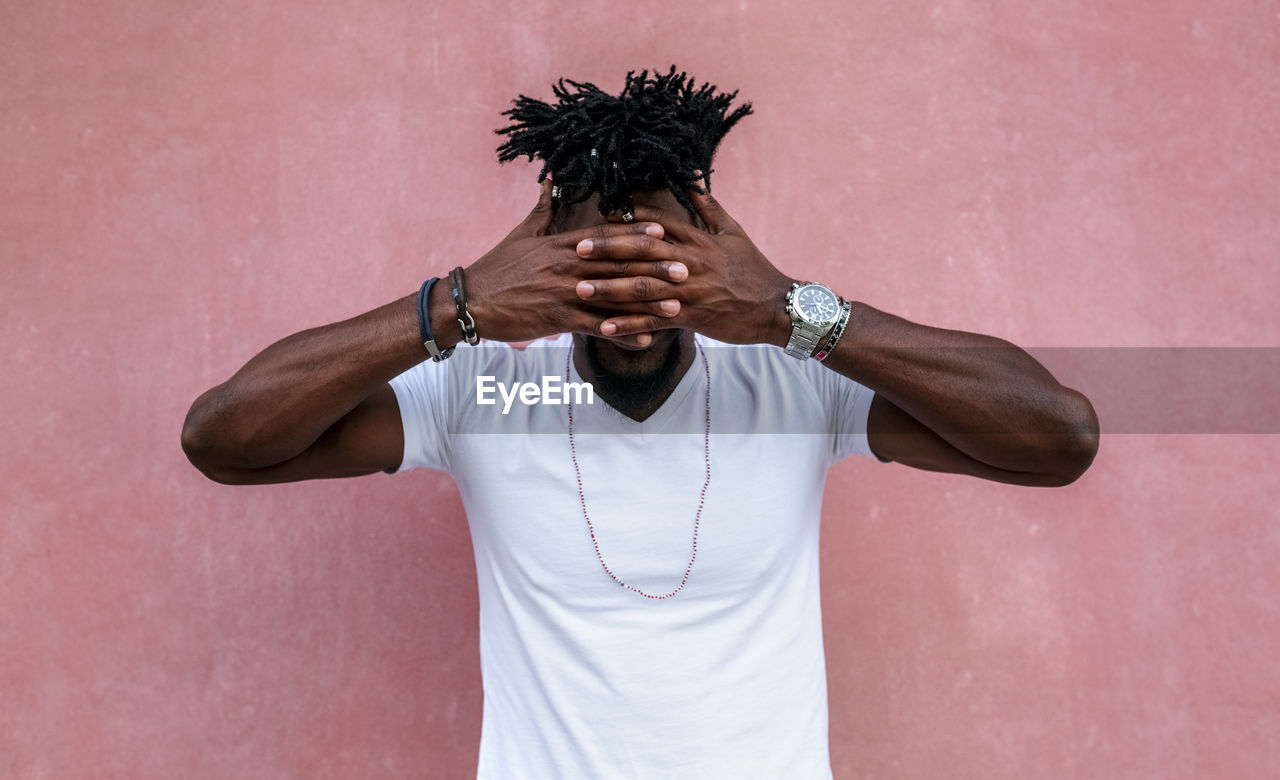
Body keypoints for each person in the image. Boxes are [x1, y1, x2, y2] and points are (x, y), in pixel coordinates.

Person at [182, 67, 1098, 779]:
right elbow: (224, 438)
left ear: (709, 243)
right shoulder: (481, 387)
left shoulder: (795, 377)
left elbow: (1058, 438)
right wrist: (452, 305)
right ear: (539, 254)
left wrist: (790, 310)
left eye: (660, 257)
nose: (627, 291)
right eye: (591, 257)